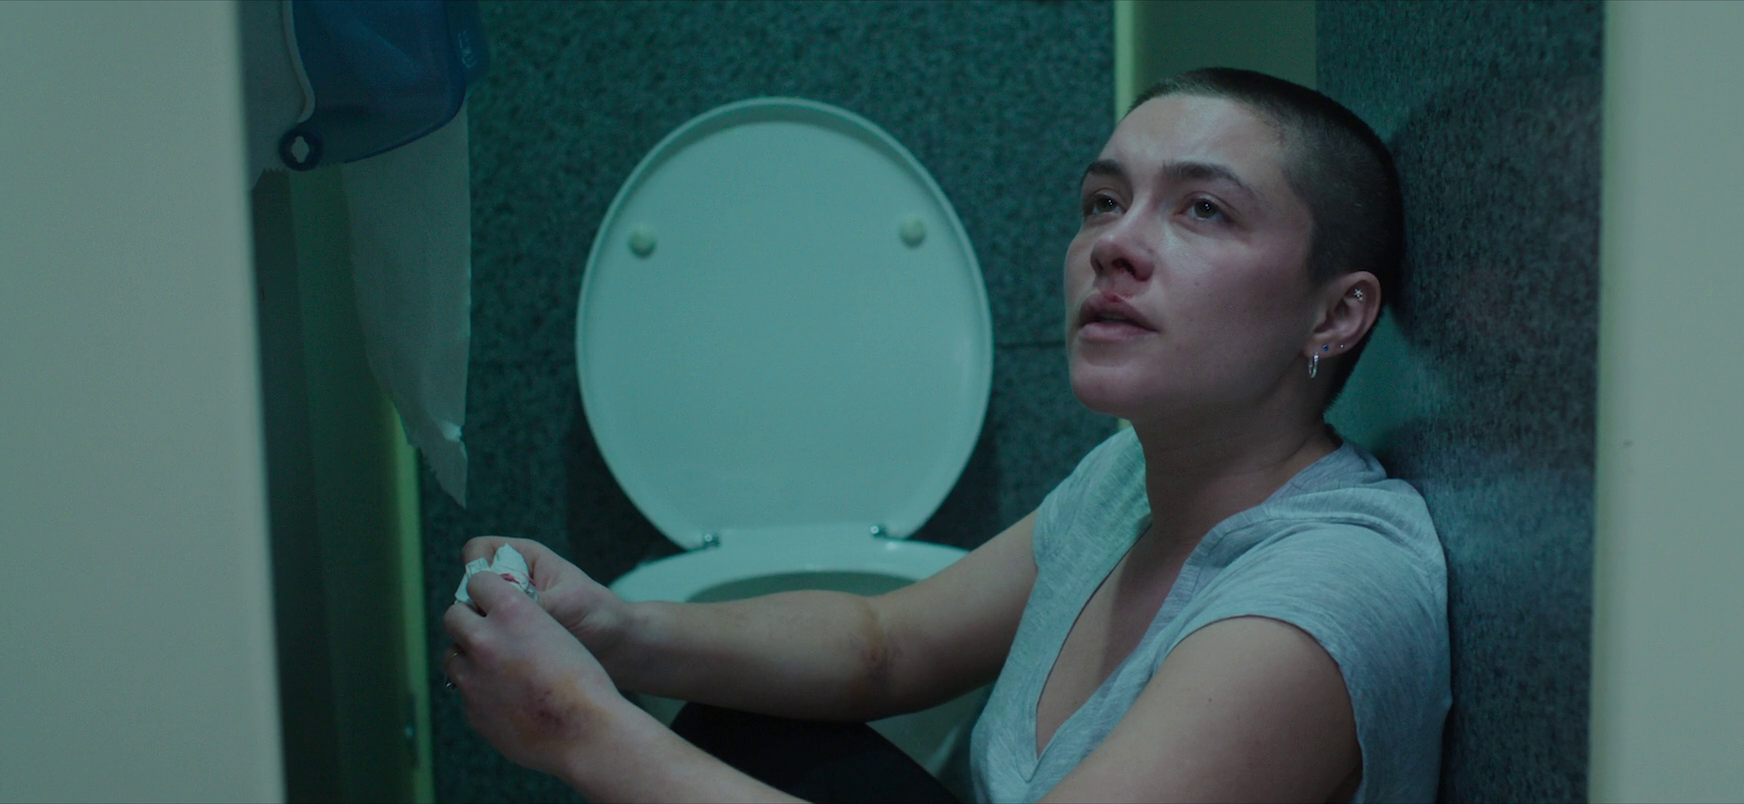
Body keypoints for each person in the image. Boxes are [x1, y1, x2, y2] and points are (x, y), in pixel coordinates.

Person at [442, 67, 1449, 803]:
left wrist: (578, 728)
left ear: (1336, 314)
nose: (1114, 245)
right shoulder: (1132, 480)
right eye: (1103, 202)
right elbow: (887, 648)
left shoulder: (1323, 596)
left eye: (1204, 211)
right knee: (740, 720)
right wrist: (615, 632)